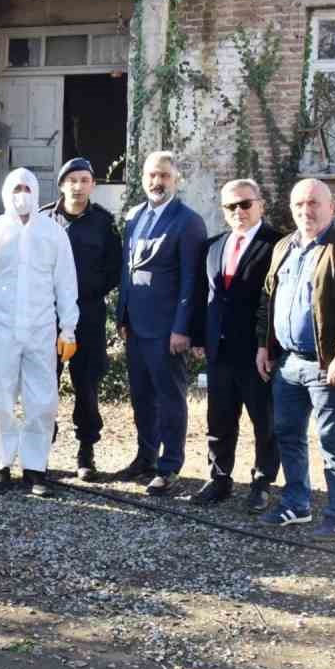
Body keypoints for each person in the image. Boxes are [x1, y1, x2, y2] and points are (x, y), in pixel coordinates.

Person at [255, 178, 335, 539]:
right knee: (288, 435)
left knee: (332, 441)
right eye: (299, 205)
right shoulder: (283, 247)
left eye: (313, 204)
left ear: (331, 207)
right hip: (287, 363)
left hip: (325, 365)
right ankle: (297, 503)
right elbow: (267, 300)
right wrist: (265, 346)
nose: (306, 211)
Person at [0, 168, 78, 497]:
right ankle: (0, 466)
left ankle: (35, 468)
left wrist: (67, 328)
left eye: (28, 188)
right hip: (0, 329)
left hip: (42, 329)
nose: (22, 194)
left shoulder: (53, 233)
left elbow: (66, 282)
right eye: (16, 188)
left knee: (42, 400)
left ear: (37, 192)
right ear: (5, 192)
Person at [185, 178, 283, 511]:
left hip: (256, 351)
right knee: (220, 417)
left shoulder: (277, 244)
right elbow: (204, 296)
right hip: (219, 348)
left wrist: (266, 344)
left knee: (264, 419)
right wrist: (199, 336)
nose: (238, 211)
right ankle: (219, 478)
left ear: (260, 205)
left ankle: (262, 482)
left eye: (245, 204)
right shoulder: (213, 246)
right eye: (231, 206)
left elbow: (274, 301)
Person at [114, 151, 206, 495]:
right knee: (141, 396)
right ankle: (146, 457)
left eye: (165, 176)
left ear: (176, 180)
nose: (157, 182)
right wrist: (122, 314)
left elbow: (191, 280)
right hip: (136, 326)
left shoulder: (188, 221)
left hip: (167, 329)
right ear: (143, 178)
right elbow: (128, 270)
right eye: (152, 175)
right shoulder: (134, 217)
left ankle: (170, 466)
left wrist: (183, 328)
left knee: (170, 398)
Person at [42, 158, 121, 481]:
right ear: (62, 184)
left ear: (93, 185)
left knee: (86, 384)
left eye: (84, 180)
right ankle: (41, 450)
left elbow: (114, 269)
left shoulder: (103, 223)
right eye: (72, 179)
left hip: (87, 314)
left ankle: (86, 451)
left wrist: (85, 292)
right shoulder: (44, 219)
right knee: (44, 384)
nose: (78, 186)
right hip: (47, 314)